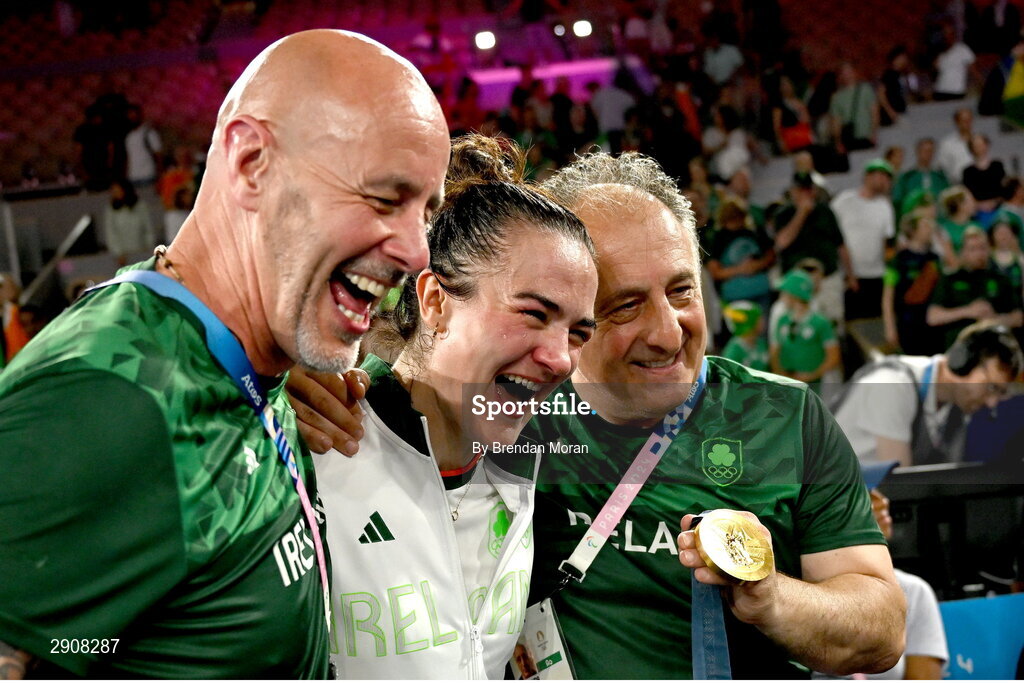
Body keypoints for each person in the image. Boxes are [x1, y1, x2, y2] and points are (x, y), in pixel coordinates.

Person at [291, 152, 907, 679]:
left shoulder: (783, 416)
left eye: (682, 289)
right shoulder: (516, 414)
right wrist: (289, 383)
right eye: (623, 306)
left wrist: (772, 597)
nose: (667, 333)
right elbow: (425, 368)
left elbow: (881, 627)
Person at [0, 29, 450, 678]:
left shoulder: (236, 358)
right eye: (384, 197)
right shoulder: (104, 401)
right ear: (250, 163)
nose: (416, 252)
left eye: (426, 211)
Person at [308, 135, 598, 678]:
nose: (560, 358)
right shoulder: (320, 438)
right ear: (436, 301)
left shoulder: (535, 458)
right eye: (534, 314)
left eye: (579, 332)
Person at [832, 321, 1023, 466]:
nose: (992, 403)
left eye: (1000, 393)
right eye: (991, 387)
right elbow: (902, 490)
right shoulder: (892, 385)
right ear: (961, 363)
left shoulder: (955, 409)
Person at [771, 170, 855, 329]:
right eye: (800, 190)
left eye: (808, 190)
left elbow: (840, 244)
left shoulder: (825, 211)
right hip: (796, 282)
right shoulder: (783, 214)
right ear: (793, 191)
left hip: (827, 279)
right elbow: (782, 243)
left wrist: (851, 275)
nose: (805, 194)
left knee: (832, 323)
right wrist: (801, 213)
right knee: (797, 325)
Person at [927, 227, 1023, 348]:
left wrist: (994, 320)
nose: (979, 253)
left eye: (982, 248)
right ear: (963, 252)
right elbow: (933, 317)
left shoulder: (1001, 279)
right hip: (958, 346)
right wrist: (968, 311)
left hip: (994, 345)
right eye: (973, 249)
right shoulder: (949, 279)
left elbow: (1018, 317)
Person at [830, 159, 897, 320]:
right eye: (880, 176)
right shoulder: (844, 201)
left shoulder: (885, 206)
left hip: (875, 274)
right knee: (852, 322)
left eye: (887, 178)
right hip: (849, 274)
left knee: (874, 321)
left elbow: (887, 242)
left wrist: (889, 273)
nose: (883, 181)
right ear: (867, 176)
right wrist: (848, 272)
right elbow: (832, 234)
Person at [770, 268, 840, 392]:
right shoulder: (782, 320)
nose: (781, 298)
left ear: (795, 296)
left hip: (815, 386)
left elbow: (833, 356)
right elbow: (775, 351)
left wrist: (812, 375)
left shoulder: (821, 323)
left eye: (784, 293)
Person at [883, 210, 943, 354]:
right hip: (907, 323)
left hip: (932, 323)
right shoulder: (898, 261)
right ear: (913, 231)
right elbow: (888, 297)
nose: (930, 230)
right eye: (925, 226)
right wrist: (890, 328)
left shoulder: (935, 259)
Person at [102, 178, 156, 267]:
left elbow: (148, 229)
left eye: (117, 190)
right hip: (123, 257)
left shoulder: (140, 206)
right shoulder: (111, 210)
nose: (115, 193)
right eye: (113, 191)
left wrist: (149, 250)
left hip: (142, 253)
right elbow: (110, 234)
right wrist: (118, 253)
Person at [892, 138, 949, 221]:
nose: (928, 154)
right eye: (925, 151)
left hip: (938, 222)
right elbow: (898, 202)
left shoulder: (941, 178)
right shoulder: (907, 178)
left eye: (931, 151)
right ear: (917, 152)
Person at [720, 299, 769, 370]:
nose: (763, 321)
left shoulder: (761, 344)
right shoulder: (733, 352)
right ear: (748, 322)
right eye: (759, 318)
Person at [937, 107, 975, 184]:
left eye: (969, 120)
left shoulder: (979, 140)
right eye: (964, 120)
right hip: (957, 186)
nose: (967, 123)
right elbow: (942, 168)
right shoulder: (947, 144)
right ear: (957, 122)